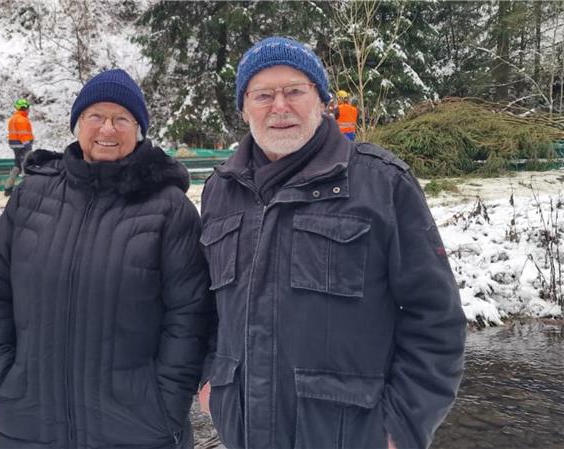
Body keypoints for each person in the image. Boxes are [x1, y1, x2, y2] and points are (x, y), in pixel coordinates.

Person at [198, 36, 466, 449]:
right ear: (244, 108)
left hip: (350, 435)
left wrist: (403, 429)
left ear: (322, 100)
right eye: (263, 95)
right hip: (244, 432)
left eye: (295, 91)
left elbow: (435, 319)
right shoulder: (220, 191)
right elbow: (208, 310)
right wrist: (210, 382)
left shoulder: (382, 184)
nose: (280, 106)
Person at [0, 69, 212, 449]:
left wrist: (166, 402)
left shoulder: (169, 209)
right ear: (77, 124)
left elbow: (191, 316)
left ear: (139, 130)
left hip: (139, 428)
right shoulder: (31, 196)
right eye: (95, 116)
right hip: (27, 423)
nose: (107, 129)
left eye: (122, 119)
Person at [5, 98, 35, 196]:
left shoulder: (13, 119)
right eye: (28, 108)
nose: (29, 110)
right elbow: (23, 135)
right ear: (24, 108)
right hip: (22, 145)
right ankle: (25, 190)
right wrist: (28, 146)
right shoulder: (22, 120)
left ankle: (8, 188)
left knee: (17, 165)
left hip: (15, 145)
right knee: (25, 165)